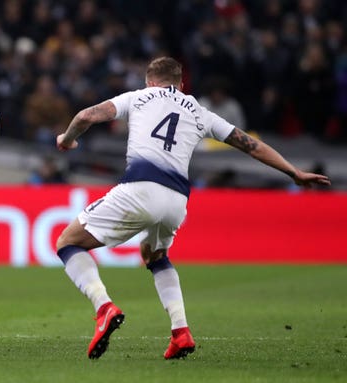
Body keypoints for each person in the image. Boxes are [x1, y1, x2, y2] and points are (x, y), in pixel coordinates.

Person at [55, 56, 331, 360]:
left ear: (149, 81)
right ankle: (180, 331)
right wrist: (294, 172)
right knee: (155, 255)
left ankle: (104, 307)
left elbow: (85, 116)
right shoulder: (200, 112)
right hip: (176, 200)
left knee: (68, 242)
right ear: (181, 84)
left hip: (140, 188)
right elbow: (251, 144)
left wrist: (67, 140)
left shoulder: (136, 97)